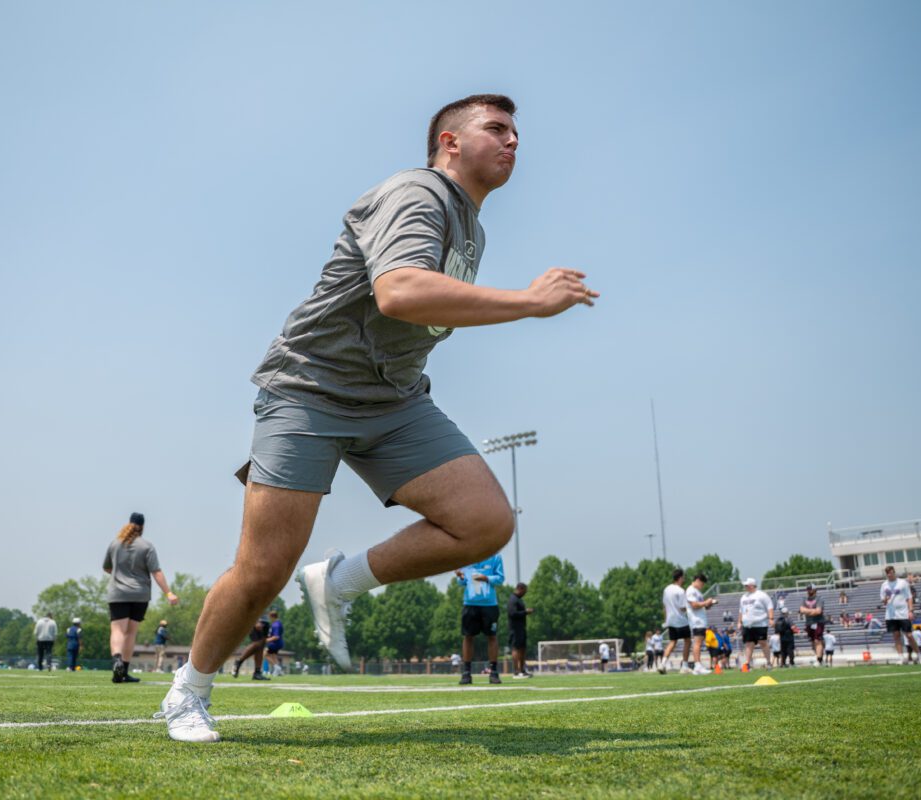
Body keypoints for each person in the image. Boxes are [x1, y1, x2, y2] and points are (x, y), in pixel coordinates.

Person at [154, 94, 598, 743]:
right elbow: (400, 292)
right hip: (310, 389)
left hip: (395, 400)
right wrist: (529, 301)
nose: (514, 141)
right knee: (261, 570)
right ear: (449, 141)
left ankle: (338, 582)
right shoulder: (416, 192)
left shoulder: (471, 227)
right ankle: (187, 692)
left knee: (485, 522)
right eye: (497, 129)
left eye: (517, 132)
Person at [103, 512, 180, 683]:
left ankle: (117, 661)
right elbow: (156, 572)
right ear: (143, 527)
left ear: (128, 524)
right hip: (139, 594)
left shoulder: (115, 544)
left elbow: (107, 568)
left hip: (118, 593)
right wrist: (169, 592)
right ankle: (124, 670)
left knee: (117, 630)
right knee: (130, 633)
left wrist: (119, 574)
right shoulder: (146, 546)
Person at [456, 553, 505, 685]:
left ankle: (493, 672)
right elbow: (462, 582)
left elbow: (500, 578)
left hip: (489, 604)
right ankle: (466, 673)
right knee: (468, 636)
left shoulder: (495, 557)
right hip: (470, 604)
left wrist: (486, 578)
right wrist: (460, 577)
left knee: (492, 636)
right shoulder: (466, 556)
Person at [879, 565, 919, 664]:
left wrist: (910, 611)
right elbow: (883, 601)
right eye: (888, 573)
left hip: (903, 613)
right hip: (891, 614)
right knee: (896, 636)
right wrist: (885, 599)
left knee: (909, 635)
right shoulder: (884, 585)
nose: (890, 574)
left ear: (894, 572)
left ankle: (919, 655)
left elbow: (909, 597)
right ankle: (901, 658)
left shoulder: (902, 583)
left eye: (891, 572)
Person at [658, 569, 691, 674]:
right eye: (683, 577)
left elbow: (664, 606)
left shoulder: (666, 589)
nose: (684, 579)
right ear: (680, 578)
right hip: (680, 620)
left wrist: (666, 619)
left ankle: (662, 664)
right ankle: (684, 666)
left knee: (672, 642)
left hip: (670, 620)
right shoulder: (681, 591)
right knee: (688, 640)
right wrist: (690, 607)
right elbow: (682, 608)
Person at [737, 578, 774, 670]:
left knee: (763, 642)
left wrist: (771, 618)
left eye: (747, 585)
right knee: (749, 644)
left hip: (760, 623)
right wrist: (739, 621)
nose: (745, 587)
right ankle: (747, 664)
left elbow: (770, 607)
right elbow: (741, 611)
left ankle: (769, 663)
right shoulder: (744, 597)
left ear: (752, 585)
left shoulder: (762, 595)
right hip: (747, 624)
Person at [685, 573, 717, 675]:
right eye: (702, 584)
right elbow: (694, 605)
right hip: (696, 620)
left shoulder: (697, 592)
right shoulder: (690, 590)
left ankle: (697, 666)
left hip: (700, 619)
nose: (702, 586)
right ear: (698, 580)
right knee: (697, 642)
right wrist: (705, 602)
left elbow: (701, 606)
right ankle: (697, 665)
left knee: (699, 642)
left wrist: (709, 604)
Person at [506, 582, 533, 678]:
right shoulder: (512, 599)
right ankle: (516, 671)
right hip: (515, 628)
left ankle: (522, 670)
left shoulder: (519, 600)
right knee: (516, 648)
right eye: (524, 591)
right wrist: (525, 612)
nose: (525, 593)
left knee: (522, 648)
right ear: (520, 589)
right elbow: (512, 613)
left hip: (521, 628)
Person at [800, 584, 826, 666]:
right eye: (808, 589)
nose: (809, 591)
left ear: (815, 590)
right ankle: (820, 657)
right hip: (809, 623)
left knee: (817, 640)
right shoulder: (804, 599)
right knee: (812, 641)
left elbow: (818, 611)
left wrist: (807, 611)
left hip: (818, 622)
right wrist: (812, 611)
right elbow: (801, 610)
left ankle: (818, 660)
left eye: (810, 589)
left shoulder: (819, 598)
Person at [264, 609, 284, 677]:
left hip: (275, 643)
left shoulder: (276, 625)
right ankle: (279, 671)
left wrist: (266, 640)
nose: (269, 618)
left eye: (269, 617)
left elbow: (276, 636)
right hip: (276, 643)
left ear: (272, 617)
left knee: (265, 654)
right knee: (274, 656)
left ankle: (276, 667)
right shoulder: (277, 623)